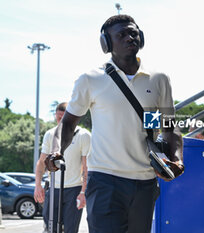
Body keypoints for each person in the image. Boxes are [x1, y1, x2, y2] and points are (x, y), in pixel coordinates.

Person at [48, 15, 184, 233]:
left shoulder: (158, 79)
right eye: (121, 35)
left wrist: (176, 158)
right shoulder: (91, 79)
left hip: (145, 182)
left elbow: (168, 126)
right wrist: (56, 152)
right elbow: (68, 123)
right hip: (105, 181)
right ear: (107, 43)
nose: (130, 38)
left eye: (133, 33)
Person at [34, 102, 91, 233]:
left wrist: (83, 192)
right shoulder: (50, 134)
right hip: (53, 188)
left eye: (63, 117)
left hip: (74, 190)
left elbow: (86, 166)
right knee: (50, 228)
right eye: (58, 117)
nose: (60, 121)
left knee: (71, 229)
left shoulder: (84, 135)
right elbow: (41, 162)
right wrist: (38, 185)